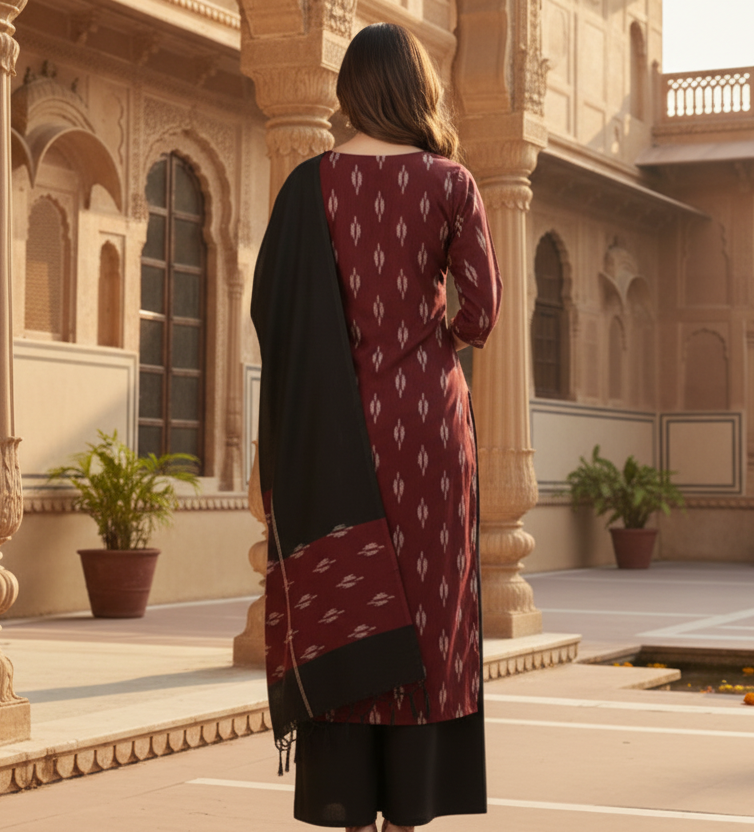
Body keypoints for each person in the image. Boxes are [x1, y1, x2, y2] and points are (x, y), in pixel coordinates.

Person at [251, 22, 502, 832]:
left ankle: (347, 806)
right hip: (428, 427)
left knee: (346, 602)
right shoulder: (450, 183)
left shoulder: (307, 187)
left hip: (334, 428)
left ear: (349, 90)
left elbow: (273, 312)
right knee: (429, 608)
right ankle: (412, 812)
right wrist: (431, 348)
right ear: (418, 89)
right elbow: (485, 312)